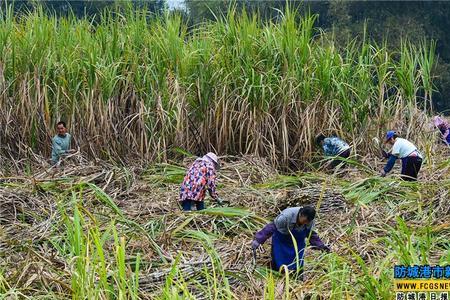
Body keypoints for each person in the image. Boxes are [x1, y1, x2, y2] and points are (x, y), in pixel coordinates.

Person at [251, 206, 330, 277]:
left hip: (298, 242)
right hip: (281, 240)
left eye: (308, 222)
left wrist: (321, 246)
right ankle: (276, 274)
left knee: (298, 261)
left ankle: (297, 276)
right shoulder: (286, 217)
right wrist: (258, 240)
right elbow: (271, 227)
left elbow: (311, 234)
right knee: (278, 258)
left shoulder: (310, 221)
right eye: (305, 221)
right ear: (301, 215)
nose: (305, 223)